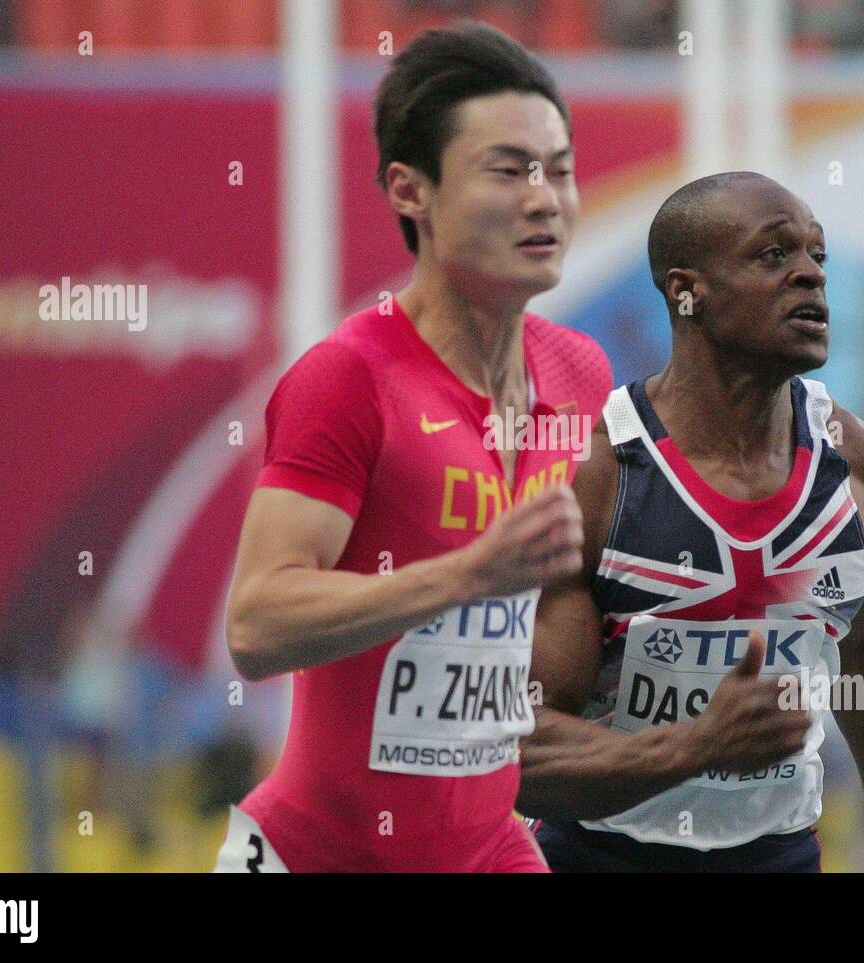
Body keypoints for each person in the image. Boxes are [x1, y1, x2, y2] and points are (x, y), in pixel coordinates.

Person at [214, 21, 611, 873]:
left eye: (561, 169)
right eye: (508, 170)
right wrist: (466, 574)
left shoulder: (578, 372)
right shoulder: (349, 377)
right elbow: (255, 621)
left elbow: (527, 627)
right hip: (317, 853)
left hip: (491, 847)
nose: (545, 198)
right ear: (410, 191)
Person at [517, 172, 864, 872]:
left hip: (782, 857)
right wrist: (697, 745)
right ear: (687, 291)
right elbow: (520, 752)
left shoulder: (861, 467)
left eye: (817, 257)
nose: (809, 276)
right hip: (601, 857)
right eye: (774, 255)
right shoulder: (595, 477)